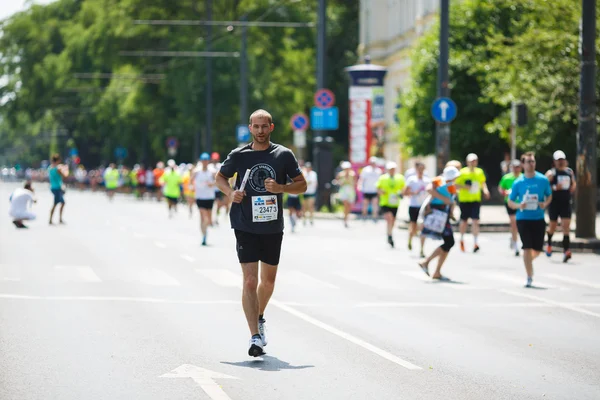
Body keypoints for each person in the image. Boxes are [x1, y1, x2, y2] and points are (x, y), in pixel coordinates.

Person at [215, 109, 307, 357]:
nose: (260, 131)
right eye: (256, 127)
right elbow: (220, 177)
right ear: (250, 128)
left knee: (268, 282)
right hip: (244, 224)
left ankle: (260, 315)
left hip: (272, 225)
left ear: (272, 127)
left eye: (264, 126)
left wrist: (281, 187)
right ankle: (254, 336)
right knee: (249, 281)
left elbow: (302, 184)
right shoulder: (239, 155)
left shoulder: (283, 155)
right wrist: (230, 193)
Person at [508, 151, 552, 288]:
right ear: (523, 164)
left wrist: (545, 204)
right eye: (528, 162)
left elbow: (549, 195)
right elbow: (510, 201)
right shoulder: (518, 182)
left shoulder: (542, 180)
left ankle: (527, 262)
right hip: (523, 218)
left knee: (537, 249)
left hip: (538, 218)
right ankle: (529, 276)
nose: (531, 164)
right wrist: (518, 205)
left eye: (533, 161)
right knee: (526, 247)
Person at [418, 166, 460, 280]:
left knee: (448, 243)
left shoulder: (444, 183)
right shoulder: (443, 182)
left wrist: (451, 211)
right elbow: (430, 190)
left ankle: (437, 271)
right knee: (449, 242)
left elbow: (450, 201)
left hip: (441, 213)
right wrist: (444, 199)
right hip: (439, 213)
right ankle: (426, 262)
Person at [545, 150, 576, 262]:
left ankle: (566, 250)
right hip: (554, 203)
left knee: (566, 227)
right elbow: (544, 186)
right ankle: (549, 244)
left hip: (566, 202)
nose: (561, 162)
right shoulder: (551, 173)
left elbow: (573, 184)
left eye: (562, 160)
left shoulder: (569, 172)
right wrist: (554, 187)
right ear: (554, 161)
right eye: (558, 160)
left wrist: (572, 188)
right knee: (552, 226)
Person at [455, 153, 490, 252]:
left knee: (475, 220)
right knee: (464, 221)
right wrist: (465, 187)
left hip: (475, 199)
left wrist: (485, 191)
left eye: (474, 161)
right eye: (471, 161)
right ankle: (461, 239)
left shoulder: (479, 172)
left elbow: (482, 183)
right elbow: (455, 185)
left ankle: (475, 242)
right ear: (467, 162)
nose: (473, 163)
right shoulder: (462, 172)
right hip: (464, 200)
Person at [403, 162, 431, 257]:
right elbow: (405, 192)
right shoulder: (411, 180)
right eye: (419, 169)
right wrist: (414, 192)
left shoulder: (427, 180)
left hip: (423, 206)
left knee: (422, 227)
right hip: (414, 205)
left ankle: (422, 249)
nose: (421, 171)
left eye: (422, 169)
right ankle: (410, 239)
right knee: (413, 226)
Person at [376, 161, 405, 248]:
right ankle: (389, 235)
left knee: (393, 220)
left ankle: (389, 233)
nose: (392, 170)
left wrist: (401, 193)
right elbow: (378, 188)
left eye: (393, 169)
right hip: (385, 202)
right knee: (389, 218)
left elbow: (404, 187)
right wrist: (381, 192)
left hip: (395, 203)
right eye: (390, 169)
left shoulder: (400, 178)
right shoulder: (382, 178)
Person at [498, 159, 523, 256]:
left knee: (520, 223)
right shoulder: (506, 177)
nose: (516, 169)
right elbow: (501, 188)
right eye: (514, 167)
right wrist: (505, 193)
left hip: (521, 204)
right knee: (514, 223)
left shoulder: (523, 178)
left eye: (518, 167)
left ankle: (514, 238)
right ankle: (516, 245)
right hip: (510, 203)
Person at [193, 153, 217, 246]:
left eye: (206, 160)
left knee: (208, 219)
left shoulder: (212, 171)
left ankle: (205, 233)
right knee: (203, 217)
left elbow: (218, 182)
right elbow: (190, 180)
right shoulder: (196, 171)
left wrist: (212, 184)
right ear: (201, 161)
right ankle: (204, 236)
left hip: (209, 197)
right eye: (203, 160)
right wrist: (192, 187)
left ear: (208, 161)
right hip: (200, 197)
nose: (205, 162)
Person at [358, 157, 382, 221]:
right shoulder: (366, 170)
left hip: (374, 190)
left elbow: (380, 181)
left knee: (375, 204)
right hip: (367, 190)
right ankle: (364, 216)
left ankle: (375, 217)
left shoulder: (378, 171)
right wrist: (360, 186)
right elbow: (361, 179)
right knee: (365, 204)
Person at [48, 154, 69, 225]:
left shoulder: (50, 168)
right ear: (58, 160)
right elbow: (65, 175)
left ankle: (59, 219)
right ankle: (52, 219)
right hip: (57, 188)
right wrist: (66, 169)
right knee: (55, 204)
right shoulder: (58, 168)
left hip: (53, 187)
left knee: (62, 203)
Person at [336, 161, 357, 228]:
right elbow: (337, 181)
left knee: (349, 206)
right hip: (344, 190)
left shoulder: (352, 174)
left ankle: (346, 217)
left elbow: (355, 182)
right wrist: (341, 182)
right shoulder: (340, 174)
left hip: (350, 190)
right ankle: (345, 218)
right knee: (345, 204)